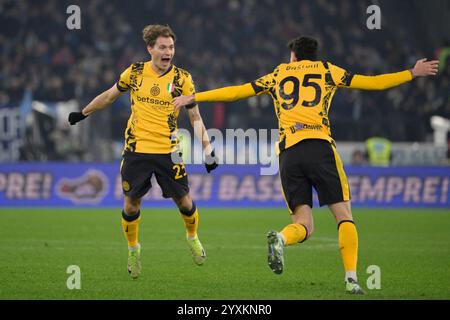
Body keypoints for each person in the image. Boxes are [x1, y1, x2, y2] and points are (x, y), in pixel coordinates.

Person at [173, 36, 439, 294]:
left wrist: (194, 97)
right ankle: (351, 279)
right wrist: (411, 73)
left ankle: (282, 238)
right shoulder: (327, 70)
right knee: (344, 216)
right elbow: (374, 83)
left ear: (294, 56)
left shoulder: (279, 73)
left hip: (288, 153)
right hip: (319, 146)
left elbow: (237, 92)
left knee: (304, 224)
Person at [68, 25, 219, 279]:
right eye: (162, 47)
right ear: (150, 48)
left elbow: (195, 117)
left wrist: (208, 149)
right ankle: (133, 250)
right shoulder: (135, 72)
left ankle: (192, 237)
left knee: (184, 200)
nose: (168, 51)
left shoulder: (183, 79)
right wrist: (84, 113)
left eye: (171, 47)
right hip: (136, 150)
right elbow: (109, 96)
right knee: (130, 204)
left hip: (168, 151)